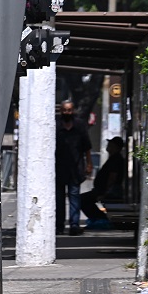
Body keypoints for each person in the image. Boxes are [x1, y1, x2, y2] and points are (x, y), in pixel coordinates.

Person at [55, 100, 93, 236]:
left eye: (69, 110)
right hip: (58, 168)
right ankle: (59, 226)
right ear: (61, 111)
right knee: (59, 199)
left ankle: (74, 225)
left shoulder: (79, 125)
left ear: (73, 111)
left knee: (74, 197)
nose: (67, 112)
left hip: (76, 168)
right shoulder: (56, 126)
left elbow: (87, 147)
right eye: (65, 110)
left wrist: (89, 164)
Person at [81, 136, 126, 229]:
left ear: (115, 147)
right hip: (102, 189)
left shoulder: (116, 159)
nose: (108, 145)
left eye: (111, 144)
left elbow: (112, 178)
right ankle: (99, 218)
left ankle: (100, 219)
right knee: (83, 199)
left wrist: (105, 193)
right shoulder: (113, 158)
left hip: (107, 191)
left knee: (82, 200)